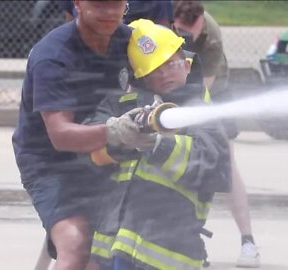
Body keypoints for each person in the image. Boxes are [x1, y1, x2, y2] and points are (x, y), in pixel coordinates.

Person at [86, 19, 232, 270]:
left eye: (170, 64)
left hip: (167, 250)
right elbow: (88, 147)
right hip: (112, 244)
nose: (164, 74)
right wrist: (118, 133)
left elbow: (214, 168)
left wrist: (158, 144)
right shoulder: (120, 106)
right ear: (141, 77)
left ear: (187, 64)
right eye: (154, 70)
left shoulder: (199, 113)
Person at [12, 1, 140, 269]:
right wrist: (115, 131)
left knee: (119, 243)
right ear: (78, 3)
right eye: (98, 4)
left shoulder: (132, 42)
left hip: (108, 154)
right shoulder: (54, 55)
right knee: (76, 242)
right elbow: (60, 136)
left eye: (115, 4)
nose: (108, 12)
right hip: (52, 163)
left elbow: (174, 69)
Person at [173, 1, 261, 268]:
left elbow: (203, 91)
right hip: (173, 90)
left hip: (213, 94)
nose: (187, 38)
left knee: (226, 165)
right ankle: (187, 240)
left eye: (193, 32)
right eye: (181, 31)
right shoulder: (162, 21)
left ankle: (248, 242)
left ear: (202, 22)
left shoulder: (211, 35)